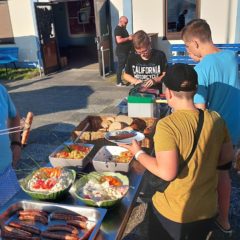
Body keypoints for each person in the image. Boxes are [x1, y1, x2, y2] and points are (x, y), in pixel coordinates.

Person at [120, 63, 234, 240]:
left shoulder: (167, 125)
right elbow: (226, 161)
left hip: (174, 213)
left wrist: (138, 152)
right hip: (207, 210)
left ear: (169, 93)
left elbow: (167, 172)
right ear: (195, 89)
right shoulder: (216, 119)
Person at [181, 18, 240, 233]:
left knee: (203, 177)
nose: (188, 53)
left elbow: (199, 107)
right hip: (233, 130)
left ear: (196, 43)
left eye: (187, 47)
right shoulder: (231, 58)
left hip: (214, 133)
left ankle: (201, 220)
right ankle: (224, 221)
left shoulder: (202, 67)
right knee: (224, 175)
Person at [0, 84, 21, 207]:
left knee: (14, 219)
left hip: (7, 173)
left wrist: (16, 142)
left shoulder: (0, 90)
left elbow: (14, 116)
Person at [114, 16, 133, 87]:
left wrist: (130, 37)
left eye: (127, 23)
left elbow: (126, 38)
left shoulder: (123, 28)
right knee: (120, 67)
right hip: (121, 52)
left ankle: (130, 79)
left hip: (126, 51)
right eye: (125, 23)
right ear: (120, 21)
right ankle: (118, 82)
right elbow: (119, 40)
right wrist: (128, 38)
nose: (126, 24)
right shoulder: (118, 29)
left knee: (128, 66)